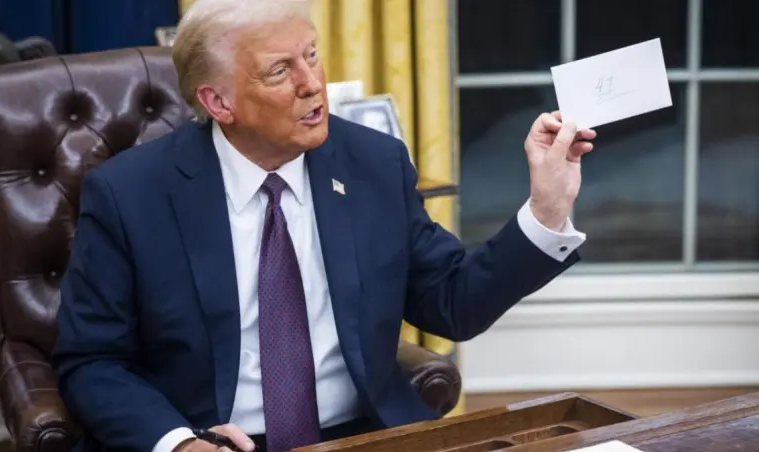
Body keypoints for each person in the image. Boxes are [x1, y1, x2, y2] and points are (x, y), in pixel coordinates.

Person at [51, 0, 596, 451]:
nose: (312, 83)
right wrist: (179, 444)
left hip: (363, 436)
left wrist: (546, 210)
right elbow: (92, 361)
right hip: (214, 440)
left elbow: (453, 301)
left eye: (311, 55)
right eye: (279, 71)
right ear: (218, 102)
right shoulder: (132, 194)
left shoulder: (373, 164)